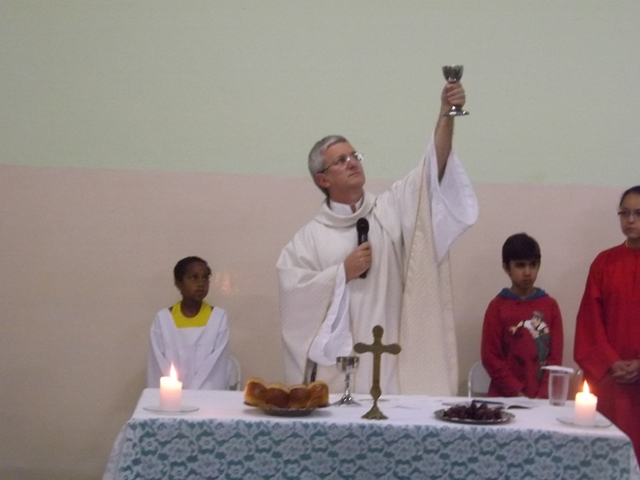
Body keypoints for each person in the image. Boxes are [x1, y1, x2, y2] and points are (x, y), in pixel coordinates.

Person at [277, 81, 478, 395]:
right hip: (336, 378)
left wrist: (445, 114)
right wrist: (341, 274)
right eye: (340, 161)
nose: (352, 162)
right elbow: (294, 300)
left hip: (391, 371)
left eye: (353, 155)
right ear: (322, 179)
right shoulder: (307, 241)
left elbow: (430, 172)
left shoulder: (389, 209)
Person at [574, 185, 640, 460]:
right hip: (611, 381)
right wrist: (611, 361)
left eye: (638, 213)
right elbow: (590, 322)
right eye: (624, 213)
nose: (630, 220)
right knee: (608, 458)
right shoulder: (604, 263)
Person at [481, 233, 564, 398]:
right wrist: (516, 392)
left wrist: (541, 396)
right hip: (504, 398)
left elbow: (555, 358)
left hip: (541, 399)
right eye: (520, 265)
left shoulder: (550, 306)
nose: (527, 272)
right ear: (506, 268)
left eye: (533, 265)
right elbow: (491, 357)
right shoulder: (497, 307)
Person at [147, 256, 229, 390]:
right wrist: (179, 393)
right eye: (193, 277)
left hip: (207, 397)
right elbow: (158, 366)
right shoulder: (163, 320)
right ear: (178, 283)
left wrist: (192, 396)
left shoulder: (218, 318)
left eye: (205, 278)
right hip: (173, 396)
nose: (201, 283)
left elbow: (217, 368)